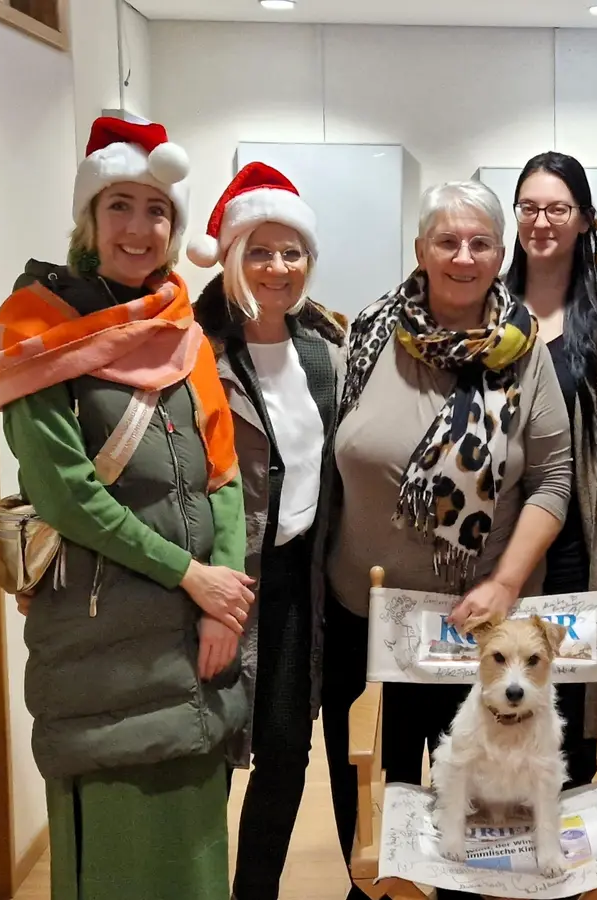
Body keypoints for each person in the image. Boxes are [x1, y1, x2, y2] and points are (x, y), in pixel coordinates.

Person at [0, 117, 254, 900]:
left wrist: (222, 604)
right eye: (120, 206)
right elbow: (66, 492)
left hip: (193, 636)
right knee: (118, 847)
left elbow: (223, 474)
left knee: (196, 846)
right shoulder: (37, 329)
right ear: (89, 218)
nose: (140, 227)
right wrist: (191, 576)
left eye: (158, 210)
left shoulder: (180, 326)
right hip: (103, 633)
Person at [324, 180, 572, 900]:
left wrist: (504, 584)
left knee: (469, 799)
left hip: (473, 630)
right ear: (421, 249)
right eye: (447, 240)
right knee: (371, 796)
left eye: (481, 242)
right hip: (363, 619)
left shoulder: (526, 351)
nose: (464, 256)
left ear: (502, 252)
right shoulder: (367, 336)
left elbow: (554, 479)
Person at [185, 162, 346, 900]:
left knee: (285, 753)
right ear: (228, 255)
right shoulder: (187, 350)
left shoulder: (327, 352)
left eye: (292, 252)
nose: (277, 268)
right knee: (207, 754)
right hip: (215, 585)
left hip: (297, 590)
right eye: (259, 250)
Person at [504, 151, 597, 789]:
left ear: (584, 220)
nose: (541, 221)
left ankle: (561, 875)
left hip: (577, 547)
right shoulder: (489, 308)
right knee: (495, 706)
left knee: (567, 719)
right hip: (497, 544)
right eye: (529, 207)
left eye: (557, 208)